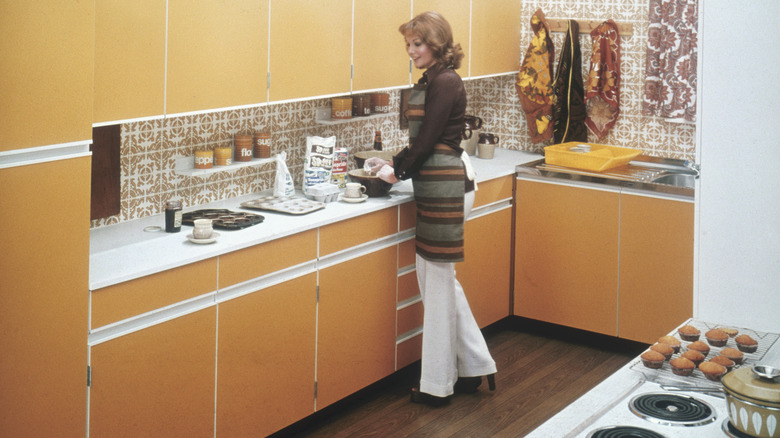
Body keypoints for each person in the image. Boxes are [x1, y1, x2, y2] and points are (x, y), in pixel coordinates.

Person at [366, 11, 497, 407]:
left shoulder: (445, 81)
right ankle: (477, 364)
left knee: (436, 287)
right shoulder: (434, 79)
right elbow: (423, 143)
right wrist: (391, 162)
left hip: (447, 187)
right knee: (441, 282)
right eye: (408, 44)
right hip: (439, 184)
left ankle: (437, 386)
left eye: (417, 44)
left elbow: (425, 142)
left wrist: (395, 171)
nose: (411, 51)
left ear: (437, 44)